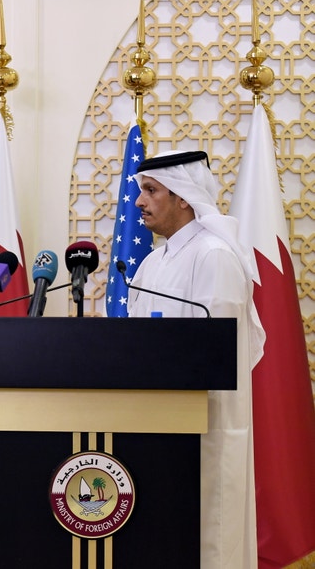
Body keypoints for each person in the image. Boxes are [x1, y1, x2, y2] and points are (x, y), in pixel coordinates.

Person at [128, 150, 265, 568]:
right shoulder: (152, 262)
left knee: (208, 538)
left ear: (184, 196)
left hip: (205, 426)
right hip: (156, 425)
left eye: (151, 191)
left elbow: (218, 350)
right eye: (141, 191)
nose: (139, 202)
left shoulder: (213, 255)